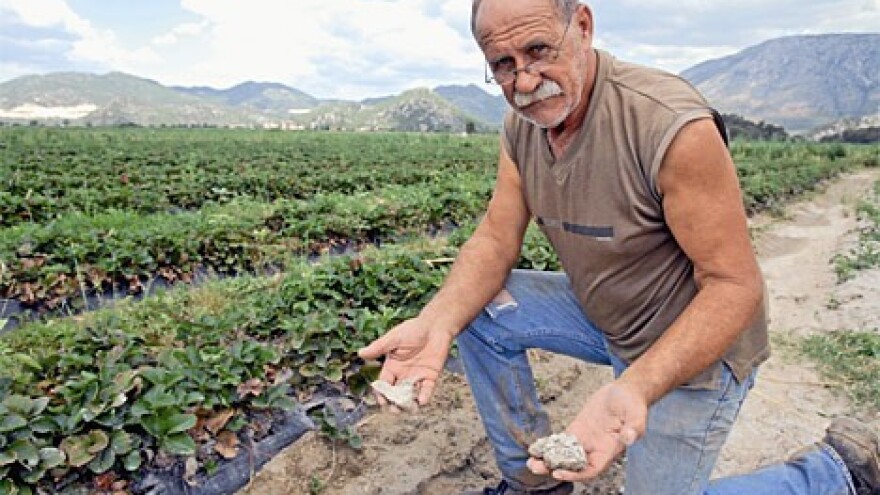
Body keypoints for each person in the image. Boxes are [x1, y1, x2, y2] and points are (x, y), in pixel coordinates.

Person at [359, 0, 880, 493]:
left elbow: (735, 286)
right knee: (477, 309)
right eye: (502, 64)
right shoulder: (523, 125)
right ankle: (533, 483)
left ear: (583, 27)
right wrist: (436, 324)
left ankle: (835, 472)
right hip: (606, 314)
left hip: (694, 345)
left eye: (539, 51)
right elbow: (496, 239)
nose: (524, 81)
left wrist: (634, 387)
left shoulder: (668, 125)